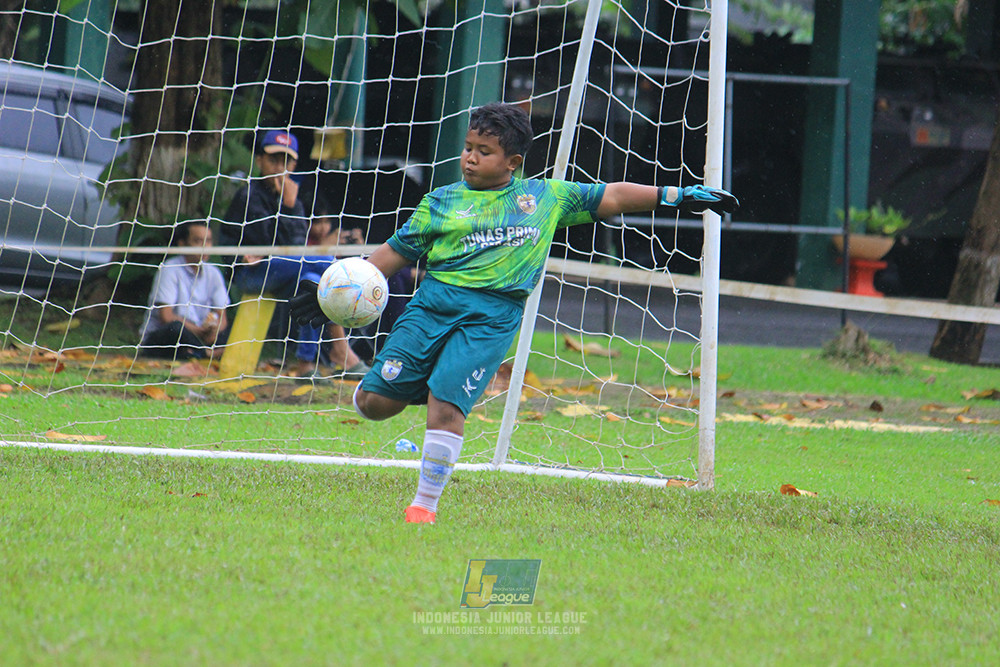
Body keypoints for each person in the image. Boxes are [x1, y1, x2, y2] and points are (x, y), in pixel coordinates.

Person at [291, 102, 738, 524]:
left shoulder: (544, 198)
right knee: (374, 405)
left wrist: (675, 195)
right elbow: (392, 256)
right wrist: (336, 293)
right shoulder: (441, 202)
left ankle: (423, 507)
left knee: (446, 409)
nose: (470, 158)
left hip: (491, 318)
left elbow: (615, 196)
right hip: (431, 308)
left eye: (484, 151)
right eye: (468, 148)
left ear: (513, 162)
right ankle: (416, 385)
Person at [219, 129, 369, 378]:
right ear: (260, 161)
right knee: (326, 265)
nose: (279, 167)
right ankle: (342, 347)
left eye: (285, 162)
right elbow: (269, 243)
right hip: (251, 273)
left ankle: (306, 364)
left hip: (285, 271)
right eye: (273, 160)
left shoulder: (293, 200)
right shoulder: (249, 195)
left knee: (314, 281)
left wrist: (290, 206)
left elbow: (297, 246)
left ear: (294, 166)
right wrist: (287, 208)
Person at [140, 221, 229, 360]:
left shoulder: (214, 273)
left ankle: (198, 352)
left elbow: (222, 316)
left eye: (208, 241)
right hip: (168, 335)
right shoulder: (169, 270)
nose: (205, 247)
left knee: (233, 328)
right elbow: (166, 317)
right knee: (175, 328)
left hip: (200, 335)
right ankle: (205, 354)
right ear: (182, 244)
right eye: (198, 241)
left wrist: (214, 332)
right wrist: (197, 331)